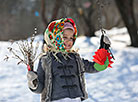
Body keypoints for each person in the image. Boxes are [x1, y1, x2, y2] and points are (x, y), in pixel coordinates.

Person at [27, 18, 111, 102]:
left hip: (76, 99)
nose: (69, 41)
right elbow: (41, 88)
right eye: (65, 37)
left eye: (71, 38)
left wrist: (104, 49)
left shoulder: (75, 58)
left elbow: (95, 67)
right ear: (54, 37)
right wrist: (34, 83)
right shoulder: (46, 60)